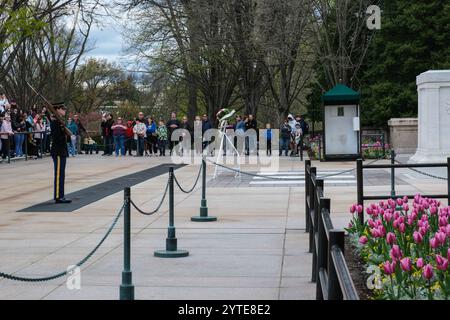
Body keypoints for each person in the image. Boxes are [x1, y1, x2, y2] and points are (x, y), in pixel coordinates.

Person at [50, 103, 71, 204]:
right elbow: (56, 137)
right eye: (62, 109)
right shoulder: (55, 122)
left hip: (62, 150)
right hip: (58, 150)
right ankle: (58, 196)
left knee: (62, 174)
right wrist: (65, 134)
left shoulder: (59, 122)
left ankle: (61, 195)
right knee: (59, 174)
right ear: (57, 110)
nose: (64, 110)